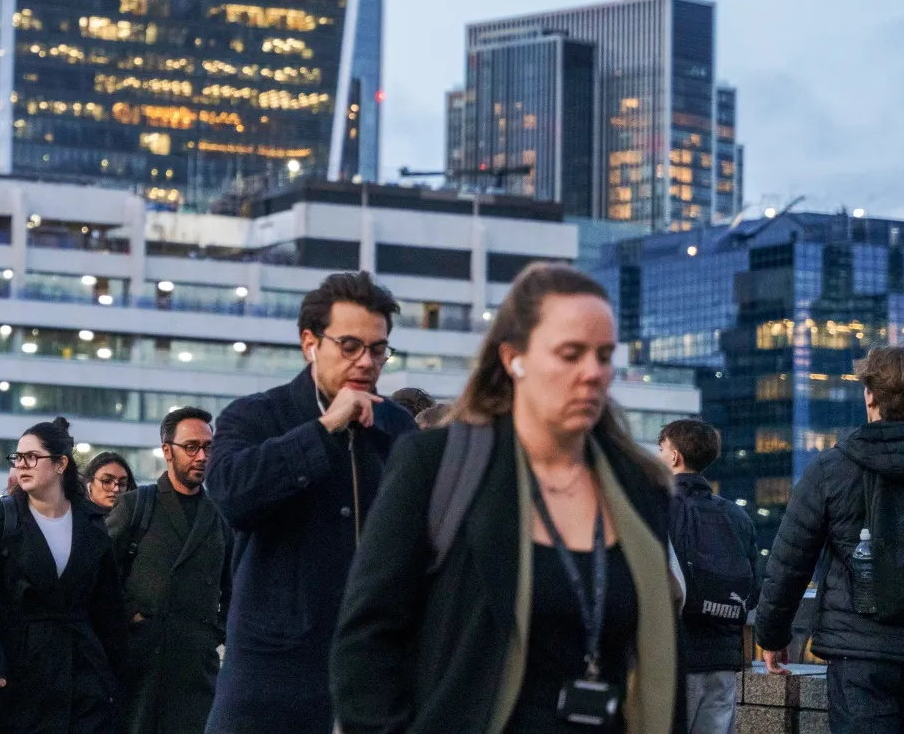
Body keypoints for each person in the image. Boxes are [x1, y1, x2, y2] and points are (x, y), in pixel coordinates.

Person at [331, 263, 680, 733]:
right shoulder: (438, 465)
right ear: (514, 358)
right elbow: (366, 641)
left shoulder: (638, 486)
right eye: (570, 354)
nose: (592, 373)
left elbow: (660, 662)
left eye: (603, 355)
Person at [204, 271, 414, 734]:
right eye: (350, 346)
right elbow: (231, 494)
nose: (366, 362)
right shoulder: (257, 415)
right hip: (271, 683)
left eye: (378, 349)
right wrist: (323, 430)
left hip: (371, 680)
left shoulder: (397, 428)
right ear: (310, 343)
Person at [755, 345, 904, 734]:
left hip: (859, 655)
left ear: (870, 395)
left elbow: (790, 564)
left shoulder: (829, 470)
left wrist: (772, 635)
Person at [0, 417, 126, 734]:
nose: (22, 465)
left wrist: (114, 670)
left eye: (32, 457)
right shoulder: (2, 516)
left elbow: (108, 606)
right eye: (18, 457)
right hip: (16, 665)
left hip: (80, 665)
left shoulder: (91, 520)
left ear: (61, 464)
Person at [108, 407, 228, 734]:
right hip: (141, 662)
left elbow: (234, 585)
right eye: (191, 447)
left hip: (195, 665)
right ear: (167, 451)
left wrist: (214, 631)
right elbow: (101, 572)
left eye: (208, 447)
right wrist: (132, 615)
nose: (201, 456)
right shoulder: (138, 504)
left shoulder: (220, 515)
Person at [655, 419, 755, 734]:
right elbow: (754, 585)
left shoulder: (658, 508)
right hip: (724, 658)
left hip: (677, 656)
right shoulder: (736, 515)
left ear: (673, 456)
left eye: (661, 450)